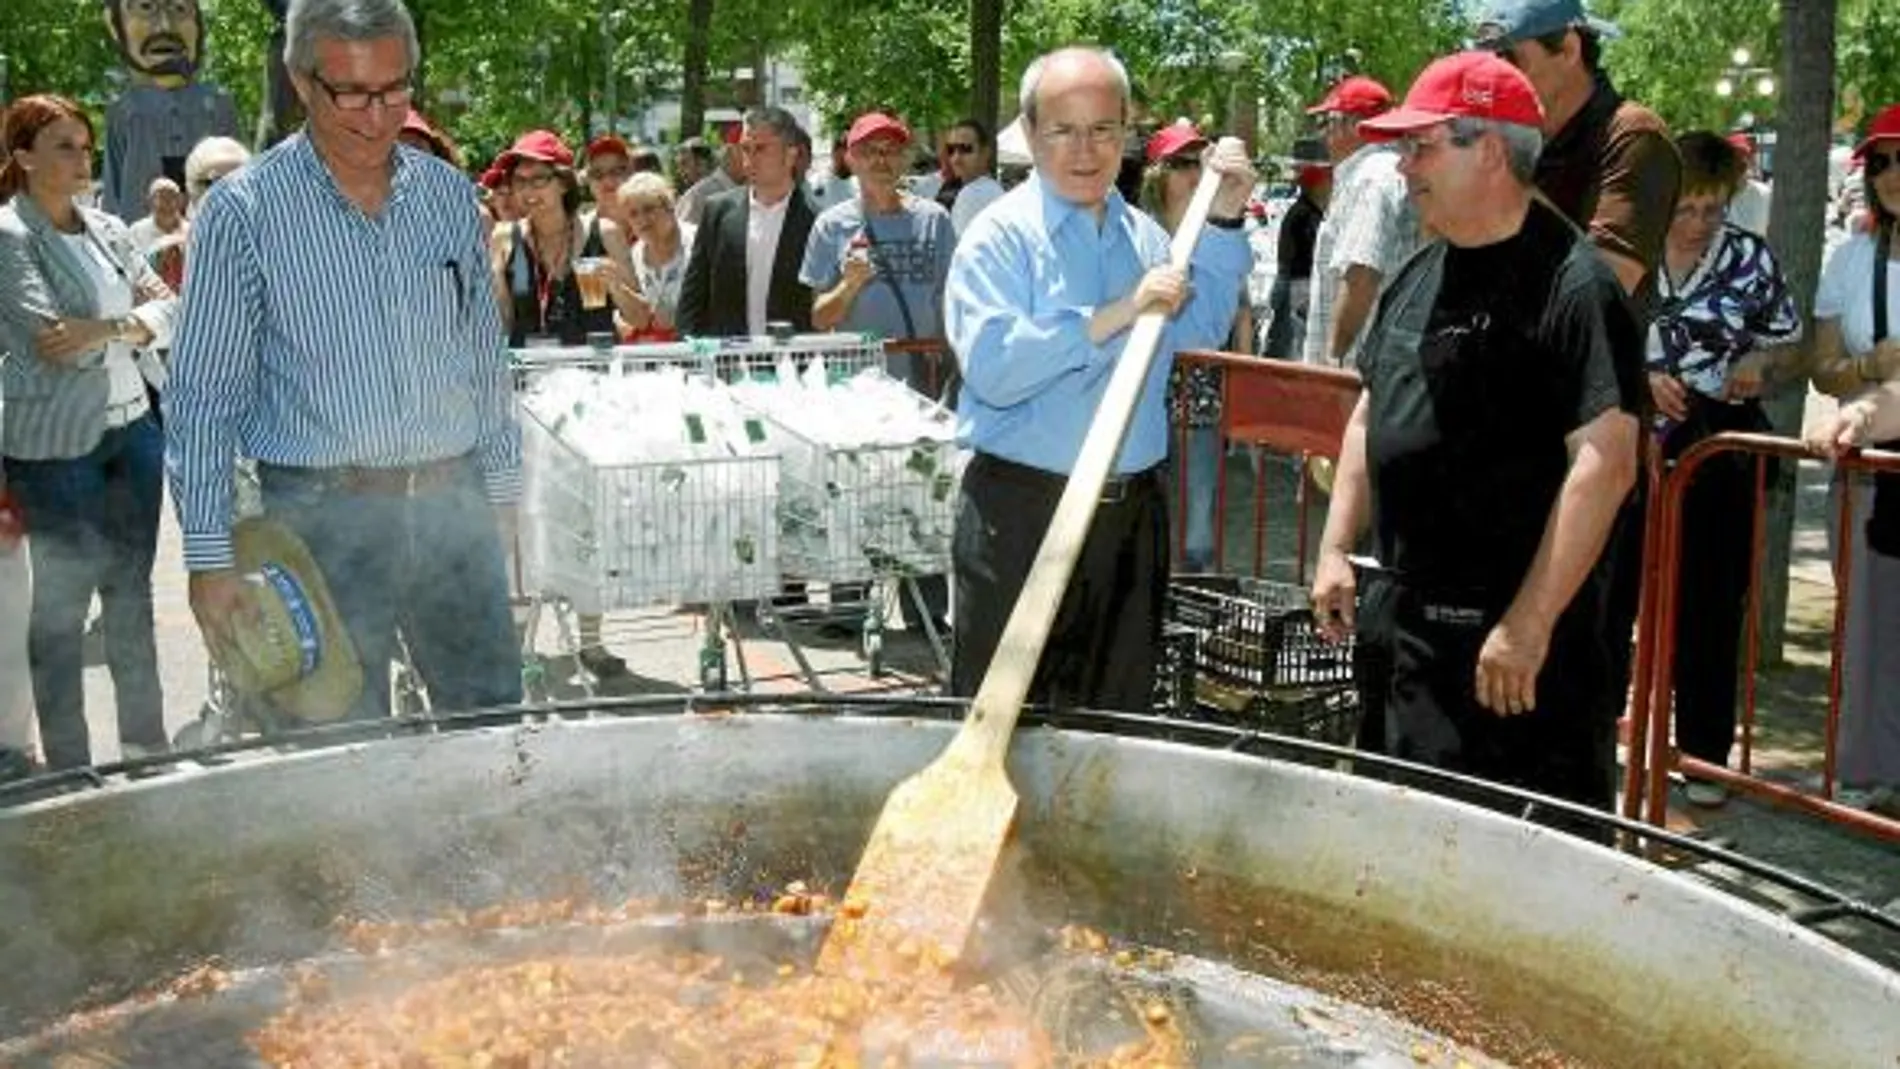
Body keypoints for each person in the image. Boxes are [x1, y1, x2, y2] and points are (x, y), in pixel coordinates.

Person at [1311, 52, 1645, 828]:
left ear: (1489, 149)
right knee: (1397, 844)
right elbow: (1370, 412)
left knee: (1514, 869)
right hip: (1406, 638)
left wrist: (1528, 625)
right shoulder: (1418, 272)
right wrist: (1335, 545)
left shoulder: (1574, 286)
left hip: (1510, 658)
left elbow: (1605, 464)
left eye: (1421, 146)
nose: (1402, 166)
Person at [166, 0, 523, 723]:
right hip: (319, 521)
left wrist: (505, 494)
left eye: (396, 89)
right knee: (338, 754)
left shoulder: (449, 197)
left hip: (453, 508)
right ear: (301, 82)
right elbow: (204, 396)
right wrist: (208, 557)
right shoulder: (245, 212)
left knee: (491, 733)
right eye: (351, 93)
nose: (377, 115)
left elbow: (482, 359)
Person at [946, 46, 1255, 711]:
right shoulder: (997, 239)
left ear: (1126, 134)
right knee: (1008, 721)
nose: (1085, 150)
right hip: (1023, 516)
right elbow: (996, 368)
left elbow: (1195, 327)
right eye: (1064, 129)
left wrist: (1224, 218)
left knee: (1118, 721)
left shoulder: (1144, 238)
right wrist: (1115, 314)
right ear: (1030, 134)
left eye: (1103, 129)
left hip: (1129, 520)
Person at [1476, 0, 1682, 729]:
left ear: (1570, 45)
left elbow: (1608, 277)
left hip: (1591, 435)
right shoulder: (1522, 137)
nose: (1502, 77)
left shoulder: (1636, 139)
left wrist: (1503, 192)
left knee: (1576, 653)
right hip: (1509, 432)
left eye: (1514, 60)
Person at [0, 94, 179, 769]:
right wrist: (129, 329)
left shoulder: (106, 225)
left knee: (130, 595)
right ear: (22, 156)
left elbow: (170, 306)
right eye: (63, 146)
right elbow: (52, 341)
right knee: (61, 609)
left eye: (84, 143)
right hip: (52, 447)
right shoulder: (8, 235)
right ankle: (71, 766)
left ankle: (144, 746)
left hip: (134, 431)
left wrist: (115, 328)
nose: (82, 157)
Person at [1646, 131, 1802, 807]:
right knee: (1609, 597)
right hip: (1626, 445)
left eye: (1713, 208)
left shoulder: (1749, 258)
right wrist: (1638, 375)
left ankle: (1704, 758)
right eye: (1687, 208)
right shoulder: (1625, 247)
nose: (1700, 223)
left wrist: (1758, 367)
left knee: (1710, 606)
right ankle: (1603, 740)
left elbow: (1789, 347)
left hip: (1717, 449)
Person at [800, 110, 958, 634]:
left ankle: (926, 612)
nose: (881, 160)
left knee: (923, 495)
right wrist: (850, 284)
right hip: (855, 390)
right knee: (851, 492)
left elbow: (952, 299)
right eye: (869, 151)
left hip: (920, 384)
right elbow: (819, 317)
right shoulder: (832, 225)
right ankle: (849, 607)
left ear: (907, 157)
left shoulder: (934, 220)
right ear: (850, 159)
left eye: (891, 149)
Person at [1800, 102, 1900, 815]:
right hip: (1867, 464)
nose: (1892, 175)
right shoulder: (1852, 255)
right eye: (1882, 161)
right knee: (1864, 626)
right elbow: (1823, 368)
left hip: (1873, 435)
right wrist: (1870, 370)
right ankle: (1872, 773)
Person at [1141, 121, 1251, 573]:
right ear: (1156, 176)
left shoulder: (1224, 240)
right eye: (1182, 163)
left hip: (1195, 395)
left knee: (1196, 525)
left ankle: (1193, 605)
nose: (1196, 173)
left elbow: (1218, 321)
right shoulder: (1134, 235)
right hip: (1140, 398)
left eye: (1200, 162)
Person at [1300, 75, 1417, 369]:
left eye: (1327, 121)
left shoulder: (1371, 178)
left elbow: (1362, 273)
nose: (1323, 133)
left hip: (1355, 371)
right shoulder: (1388, 171)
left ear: (1354, 126)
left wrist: (1332, 360)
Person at [486, 130, 641, 349]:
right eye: (519, 180)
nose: (528, 190)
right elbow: (501, 323)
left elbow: (640, 319)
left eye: (539, 179)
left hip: (593, 376)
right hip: (530, 375)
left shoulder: (605, 234)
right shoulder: (505, 238)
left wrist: (616, 286)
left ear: (564, 183)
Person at [677, 106, 817, 338]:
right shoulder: (718, 211)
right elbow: (693, 296)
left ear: (791, 155)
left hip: (792, 362)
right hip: (729, 362)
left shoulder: (815, 219)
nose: (750, 159)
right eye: (745, 149)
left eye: (761, 149)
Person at [616, 172, 696, 343]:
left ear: (669, 205)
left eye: (649, 209)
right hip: (651, 357)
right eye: (633, 214)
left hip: (696, 350)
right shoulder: (634, 255)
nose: (642, 219)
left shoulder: (698, 242)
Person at [1264, 161, 1329, 360]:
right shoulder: (1306, 214)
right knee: (1292, 344)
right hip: (1297, 283)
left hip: (1292, 281)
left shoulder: (1305, 211)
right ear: (1316, 185)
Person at [946, 117, 1005, 238]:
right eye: (951, 150)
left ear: (985, 153)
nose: (956, 158)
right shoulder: (994, 190)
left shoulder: (973, 194)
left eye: (965, 149)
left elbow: (960, 252)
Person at [675, 132, 745, 228]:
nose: (680, 171)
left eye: (684, 163)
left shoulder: (701, 195)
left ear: (701, 162)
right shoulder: (696, 196)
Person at [582, 134, 634, 230]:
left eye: (616, 171)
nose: (607, 180)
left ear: (631, 174)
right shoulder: (579, 233)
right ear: (588, 179)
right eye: (597, 173)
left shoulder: (651, 228)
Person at [1725, 132, 1772, 237]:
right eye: (1733, 158)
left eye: (1744, 157)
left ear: (1750, 161)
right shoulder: (1715, 197)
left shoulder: (1764, 194)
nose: (1739, 164)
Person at [127, 176, 186, 255]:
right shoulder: (137, 231)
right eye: (161, 196)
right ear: (150, 202)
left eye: (171, 196)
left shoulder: (191, 231)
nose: (166, 202)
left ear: (180, 201)